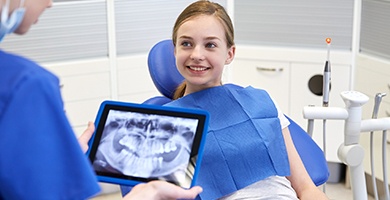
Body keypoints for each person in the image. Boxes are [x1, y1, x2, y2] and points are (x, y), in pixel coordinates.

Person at [123, 1, 330, 199]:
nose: (196, 54)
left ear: (229, 53)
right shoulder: (167, 123)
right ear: (175, 51)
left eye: (210, 45)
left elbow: (306, 189)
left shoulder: (260, 103)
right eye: (186, 43)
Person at [0, 0, 202, 199]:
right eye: (185, 44)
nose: (50, 3)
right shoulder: (25, 84)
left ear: (230, 53)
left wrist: (64, 159)